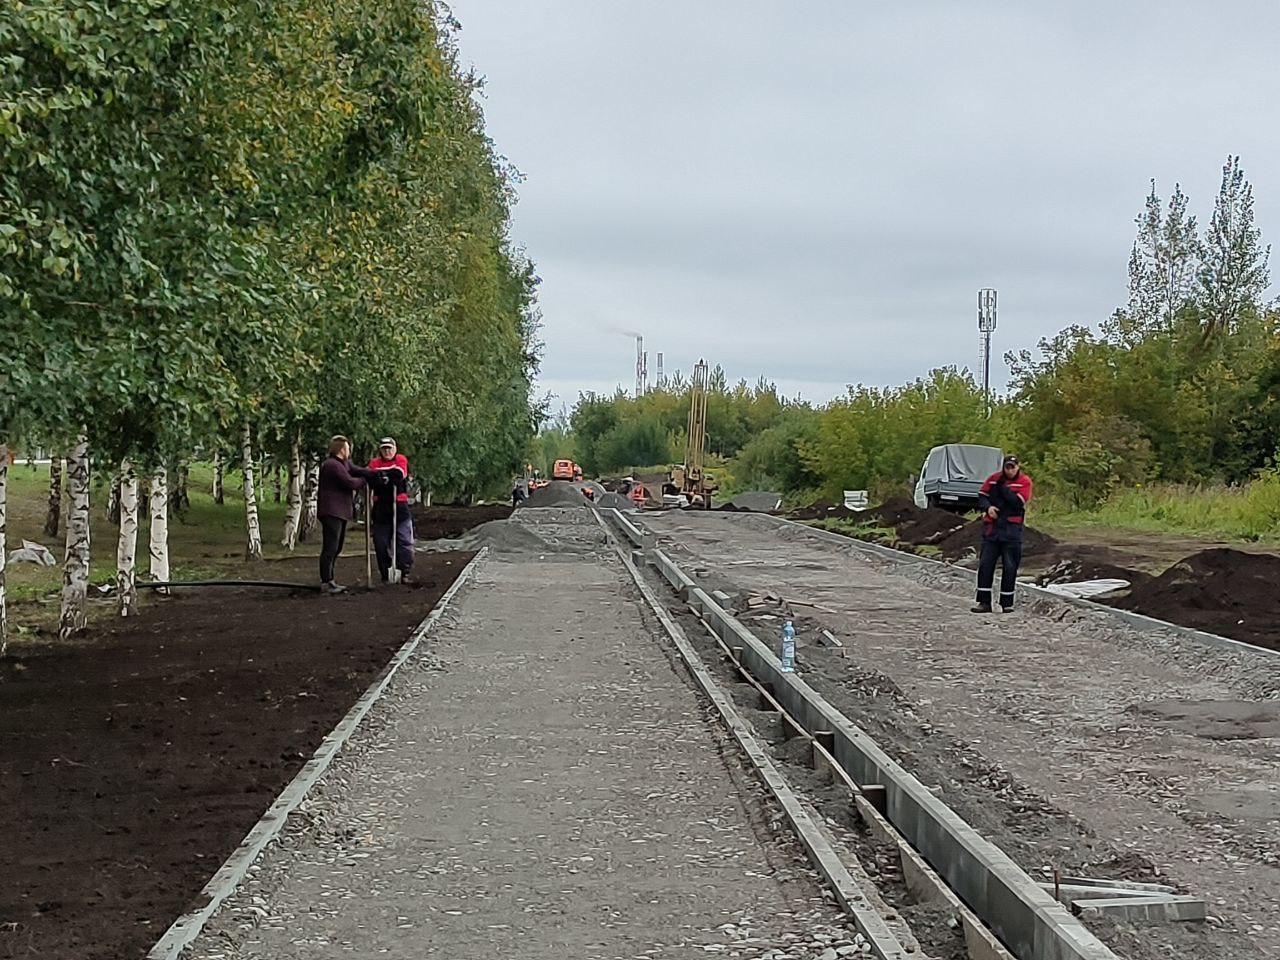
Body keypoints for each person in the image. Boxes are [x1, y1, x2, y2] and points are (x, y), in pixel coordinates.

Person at [972, 455, 1033, 614]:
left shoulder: (1024, 482)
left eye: (1013, 467)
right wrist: (988, 508)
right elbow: (982, 496)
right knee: (985, 565)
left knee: (1010, 566)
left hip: (1011, 530)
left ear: (1018, 467)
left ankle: (1007, 603)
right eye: (1007, 467)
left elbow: (1017, 502)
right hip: (992, 530)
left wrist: (1002, 489)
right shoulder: (993, 479)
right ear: (1003, 467)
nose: (1010, 470)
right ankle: (984, 602)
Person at [317, 436, 377, 593]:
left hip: (340, 512)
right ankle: (326, 580)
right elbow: (349, 482)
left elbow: (356, 470)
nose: (349, 451)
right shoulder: (332, 466)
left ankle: (330, 579)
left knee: (337, 546)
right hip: (331, 511)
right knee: (330, 547)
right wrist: (364, 480)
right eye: (348, 448)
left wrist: (373, 473)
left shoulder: (343, 464)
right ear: (342, 450)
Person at [368, 437, 415, 584]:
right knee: (380, 543)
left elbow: (399, 473)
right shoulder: (375, 462)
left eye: (389, 448)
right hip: (381, 508)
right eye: (384, 448)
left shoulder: (400, 459)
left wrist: (382, 475)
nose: (387, 451)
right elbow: (370, 474)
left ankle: (404, 571)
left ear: (395, 449)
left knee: (404, 540)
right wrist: (384, 474)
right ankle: (385, 572)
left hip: (399, 506)